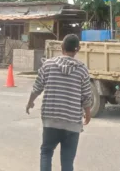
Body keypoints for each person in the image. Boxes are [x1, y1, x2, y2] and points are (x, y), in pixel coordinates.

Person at [26, 34, 93, 171]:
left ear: (61, 47)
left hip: (51, 120)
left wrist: (30, 102)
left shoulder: (48, 65)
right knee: (67, 162)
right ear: (78, 49)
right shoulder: (82, 69)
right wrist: (88, 113)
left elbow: (37, 87)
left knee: (46, 152)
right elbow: (86, 95)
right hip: (72, 123)